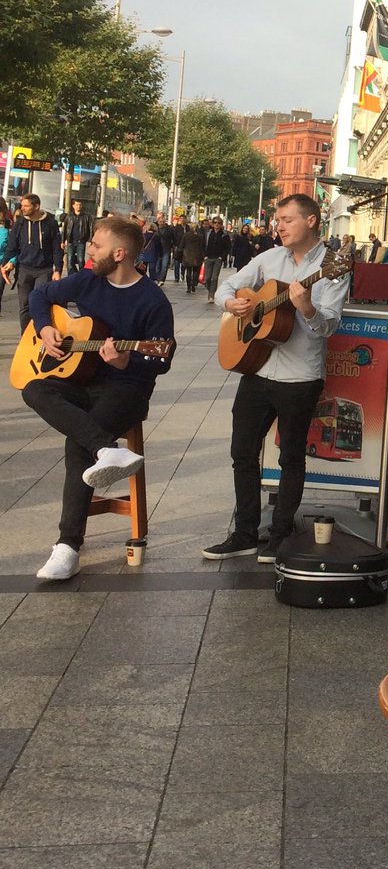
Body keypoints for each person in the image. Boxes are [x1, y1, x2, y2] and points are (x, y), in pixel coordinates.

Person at [22, 217, 174, 580]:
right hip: (82, 380)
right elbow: (40, 295)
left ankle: (67, 547)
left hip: (128, 390)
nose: (89, 249)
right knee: (33, 387)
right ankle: (107, 450)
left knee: (78, 445)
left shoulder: (153, 301)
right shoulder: (89, 280)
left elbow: (160, 360)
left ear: (119, 254)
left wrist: (126, 359)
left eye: (96, 244)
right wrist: (45, 328)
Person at [202, 193, 350, 564]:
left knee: (291, 457)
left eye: (287, 219)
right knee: (242, 453)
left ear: (312, 221)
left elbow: (328, 326)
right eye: (278, 219)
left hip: (300, 376)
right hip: (257, 368)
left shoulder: (333, 266)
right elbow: (225, 286)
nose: (278, 226)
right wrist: (231, 303)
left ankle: (281, 534)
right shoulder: (269, 258)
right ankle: (244, 533)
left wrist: (307, 307)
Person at [0, 193, 63, 332]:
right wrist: (6, 264)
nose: (22, 208)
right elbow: (12, 247)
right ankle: (25, 338)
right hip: (24, 269)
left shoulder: (50, 223)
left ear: (36, 206)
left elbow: (56, 248)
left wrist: (57, 269)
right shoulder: (20, 223)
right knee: (24, 306)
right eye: (22, 205)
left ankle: (39, 334)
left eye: (26, 206)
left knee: (39, 303)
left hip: (44, 270)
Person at [202, 216, 232, 305]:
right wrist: (204, 255)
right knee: (207, 278)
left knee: (214, 278)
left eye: (219, 223)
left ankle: (211, 295)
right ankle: (210, 290)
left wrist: (222, 257)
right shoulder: (208, 233)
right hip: (208, 258)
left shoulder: (224, 235)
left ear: (221, 224)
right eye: (215, 222)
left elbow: (228, 247)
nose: (216, 224)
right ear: (213, 224)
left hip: (217, 258)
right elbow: (203, 244)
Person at [63, 199, 93, 274]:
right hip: (71, 241)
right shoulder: (69, 216)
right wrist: (62, 241)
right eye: (77, 205)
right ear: (73, 206)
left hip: (81, 241)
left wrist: (90, 240)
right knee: (70, 260)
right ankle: (71, 276)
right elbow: (65, 229)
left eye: (80, 205)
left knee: (80, 260)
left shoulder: (86, 217)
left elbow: (90, 228)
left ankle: (82, 275)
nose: (78, 206)